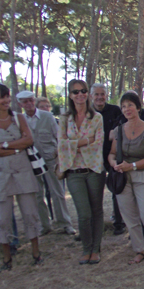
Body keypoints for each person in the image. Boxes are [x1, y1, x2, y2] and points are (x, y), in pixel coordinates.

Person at [0, 83, 44, 270]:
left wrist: (4, 146)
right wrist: (16, 148)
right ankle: (7, 258)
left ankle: (36, 253)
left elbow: (29, 140)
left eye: (8, 96)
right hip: (0, 175)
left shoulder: (19, 118)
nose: (6, 100)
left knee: (30, 212)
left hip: (23, 172)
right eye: (2, 97)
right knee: (2, 217)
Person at [108, 93, 144, 265]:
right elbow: (112, 153)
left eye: (130, 105)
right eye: (124, 106)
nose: (127, 109)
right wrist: (113, 164)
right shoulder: (118, 130)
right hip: (122, 178)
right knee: (130, 216)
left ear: (138, 107)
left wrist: (132, 166)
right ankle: (139, 250)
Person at [58, 79, 105, 265]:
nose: (80, 94)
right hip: (73, 172)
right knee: (83, 213)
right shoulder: (64, 118)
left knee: (96, 211)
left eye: (83, 91)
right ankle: (86, 248)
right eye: (76, 91)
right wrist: (84, 141)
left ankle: (96, 249)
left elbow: (98, 144)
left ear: (88, 94)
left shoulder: (97, 118)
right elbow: (60, 146)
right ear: (70, 95)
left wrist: (71, 144)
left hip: (94, 169)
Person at [16, 91, 76, 235]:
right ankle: (44, 225)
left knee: (57, 192)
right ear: (20, 104)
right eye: (25, 102)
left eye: (31, 100)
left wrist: (58, 156)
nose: (29, 104)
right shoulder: (19, 120)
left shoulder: (47, 116)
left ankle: (65, 223)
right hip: (30, 161)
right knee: (37, 193)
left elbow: (59, 137)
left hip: (50, 159)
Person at [91, 83, 126, 235]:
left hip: (113, 155)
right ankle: (94, 225)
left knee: (116, 189)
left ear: (106, 95)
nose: (100, 97)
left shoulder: (115, 110)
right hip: (92, 157)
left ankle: (119, 223)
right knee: (94, 192)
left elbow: (123, 128)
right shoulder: (87, 112)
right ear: (91, 96)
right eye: (96, 94)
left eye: (102, 94)